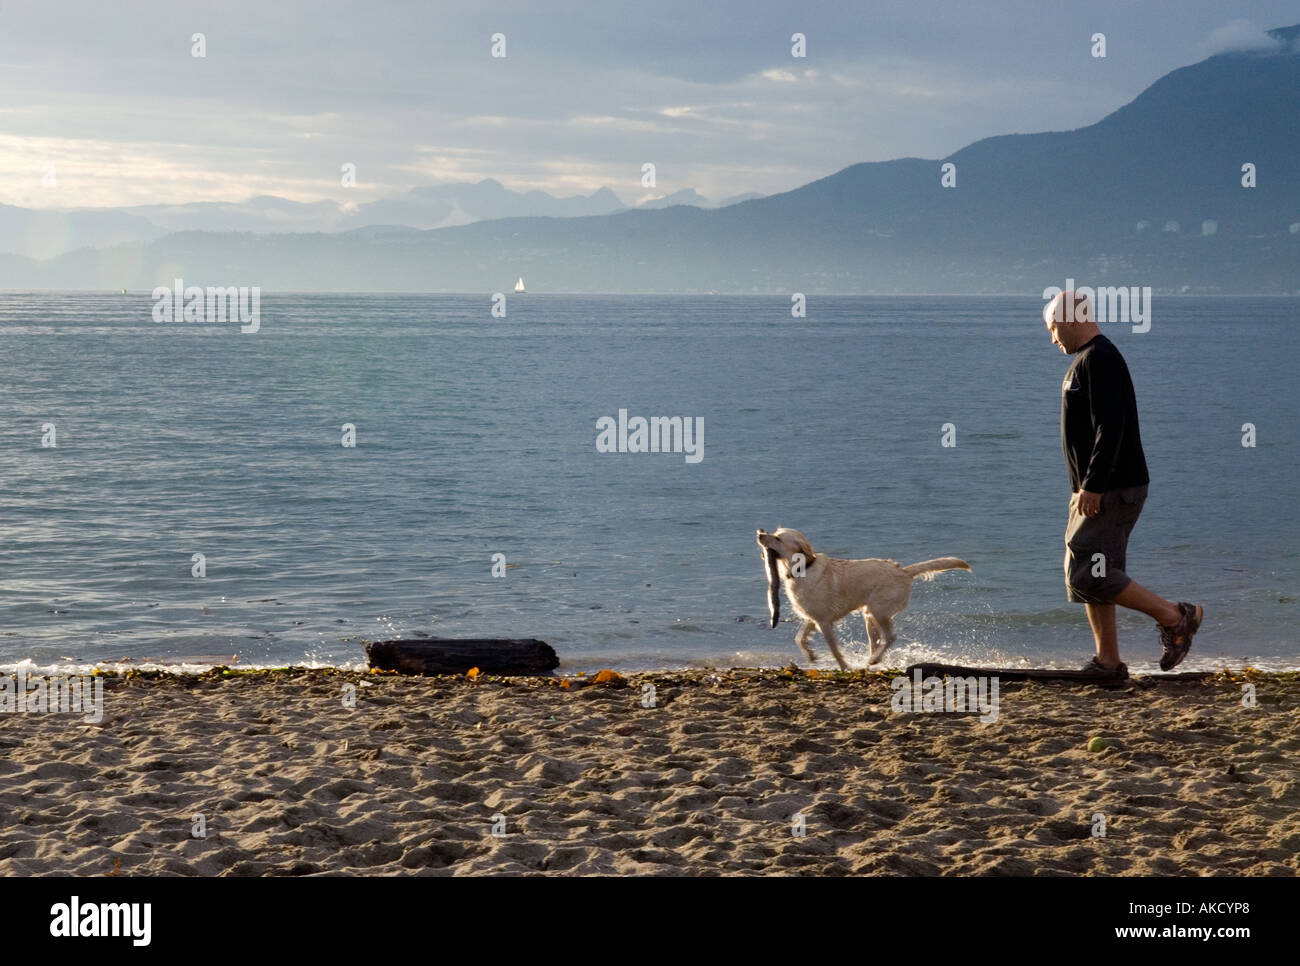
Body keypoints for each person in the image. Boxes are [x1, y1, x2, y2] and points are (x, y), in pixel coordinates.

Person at [1043, 290, 1202, 677]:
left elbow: (1110, 427)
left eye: (1052, 328)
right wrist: (1083, 487)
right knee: (1093, 572)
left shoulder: (1100, 359)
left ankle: (1175, 617)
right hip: (1097, 489)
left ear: (1070, 317)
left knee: (1087, 571)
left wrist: (1094, 486)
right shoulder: (1090, 359)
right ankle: (1108, 662)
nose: (1052, 338)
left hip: (1111, 488)